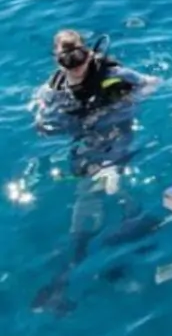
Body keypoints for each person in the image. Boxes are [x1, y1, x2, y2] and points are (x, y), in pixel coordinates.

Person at [32, 29, 160, 313]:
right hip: (87, 146)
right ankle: (68, 277)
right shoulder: (54, 88)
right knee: (89, 198)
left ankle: (129, 237)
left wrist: (125, 104)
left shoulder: (113, 73)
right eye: (67, 61)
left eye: (78, 57)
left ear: (88, 53)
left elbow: (152, 83)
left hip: (116, 138)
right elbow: (40, 112)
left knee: (111, 186)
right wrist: (42, 117)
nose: (75, 67)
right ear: (58, 62)